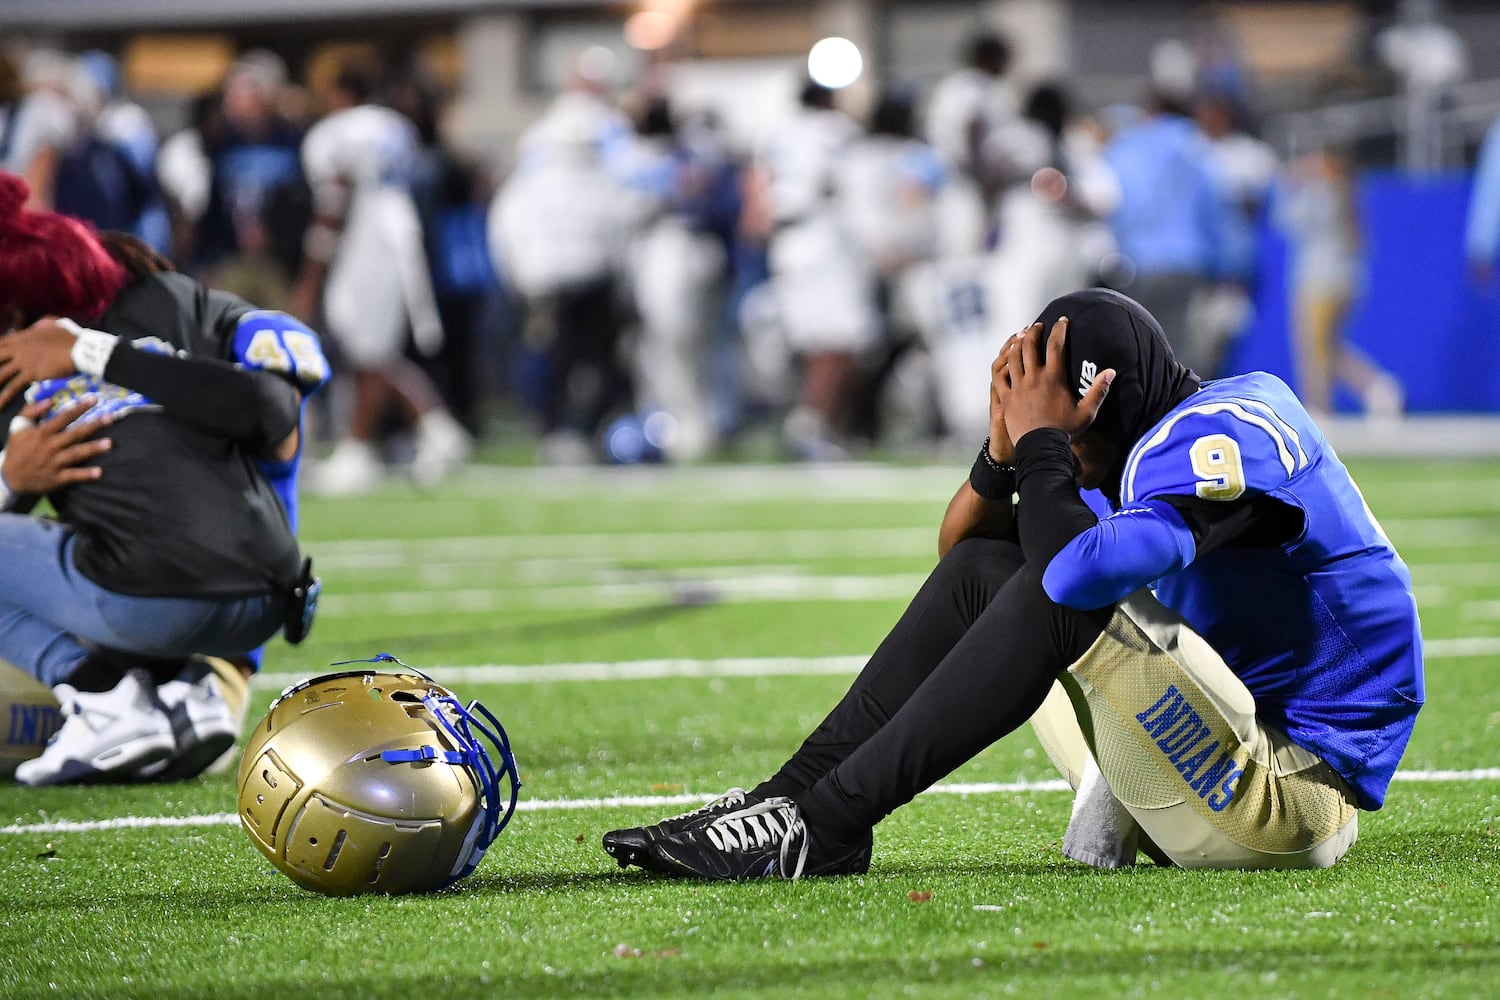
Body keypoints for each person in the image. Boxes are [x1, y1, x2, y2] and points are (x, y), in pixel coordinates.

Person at [602, 287, 1424, 878]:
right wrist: (1004, 453)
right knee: (994, 569)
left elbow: (1073, 579)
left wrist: (1041, 447)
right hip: (1213, 738)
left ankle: (821, 828)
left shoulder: (1225, 434)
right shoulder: (1148, 435)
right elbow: (960, 556)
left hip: (1287, 793)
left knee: (1060, 590)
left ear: (1104, 401)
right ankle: (789, 801)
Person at [0, 172, 320, 785]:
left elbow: (277, 408)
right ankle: (188, 690)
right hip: (264, 596)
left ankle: (102, 697)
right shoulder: (178, 301)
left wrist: (12, 479)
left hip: (155, 606)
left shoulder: (28, 352)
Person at [294, 67, 471, 494]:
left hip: (364, 240)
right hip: (401, 235)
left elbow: (337, 196)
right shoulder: (395, 128)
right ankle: (429, 429)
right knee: (372, 349)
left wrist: (310, 276)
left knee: (367, 348)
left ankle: (378, 444)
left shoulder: (335, 133)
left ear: (338, 93)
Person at [1274, 145, 1403, 419]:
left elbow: (1285, 219)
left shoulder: (1322, 192)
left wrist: (1290, 184)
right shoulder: (1345, 192)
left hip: (1319, 281)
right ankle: (1376, 388)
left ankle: (1319, 405)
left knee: (1313, 348)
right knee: (1327, 346)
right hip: (1344, 280)